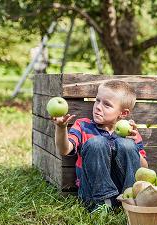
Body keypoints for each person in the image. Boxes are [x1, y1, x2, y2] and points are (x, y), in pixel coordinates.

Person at [52, 80, 148, 213]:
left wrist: (133, 146)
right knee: (97, 143)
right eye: (97, 100)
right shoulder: (83, 126)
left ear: (123, 113)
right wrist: (61, 128)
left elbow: (144, 169)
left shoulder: (130, 133)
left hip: (124, 193)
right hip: (92, 192)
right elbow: (64, 149)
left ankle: (130, 202)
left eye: (107, 105)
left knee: (125, 145)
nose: (98, 106)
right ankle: (102, 203)